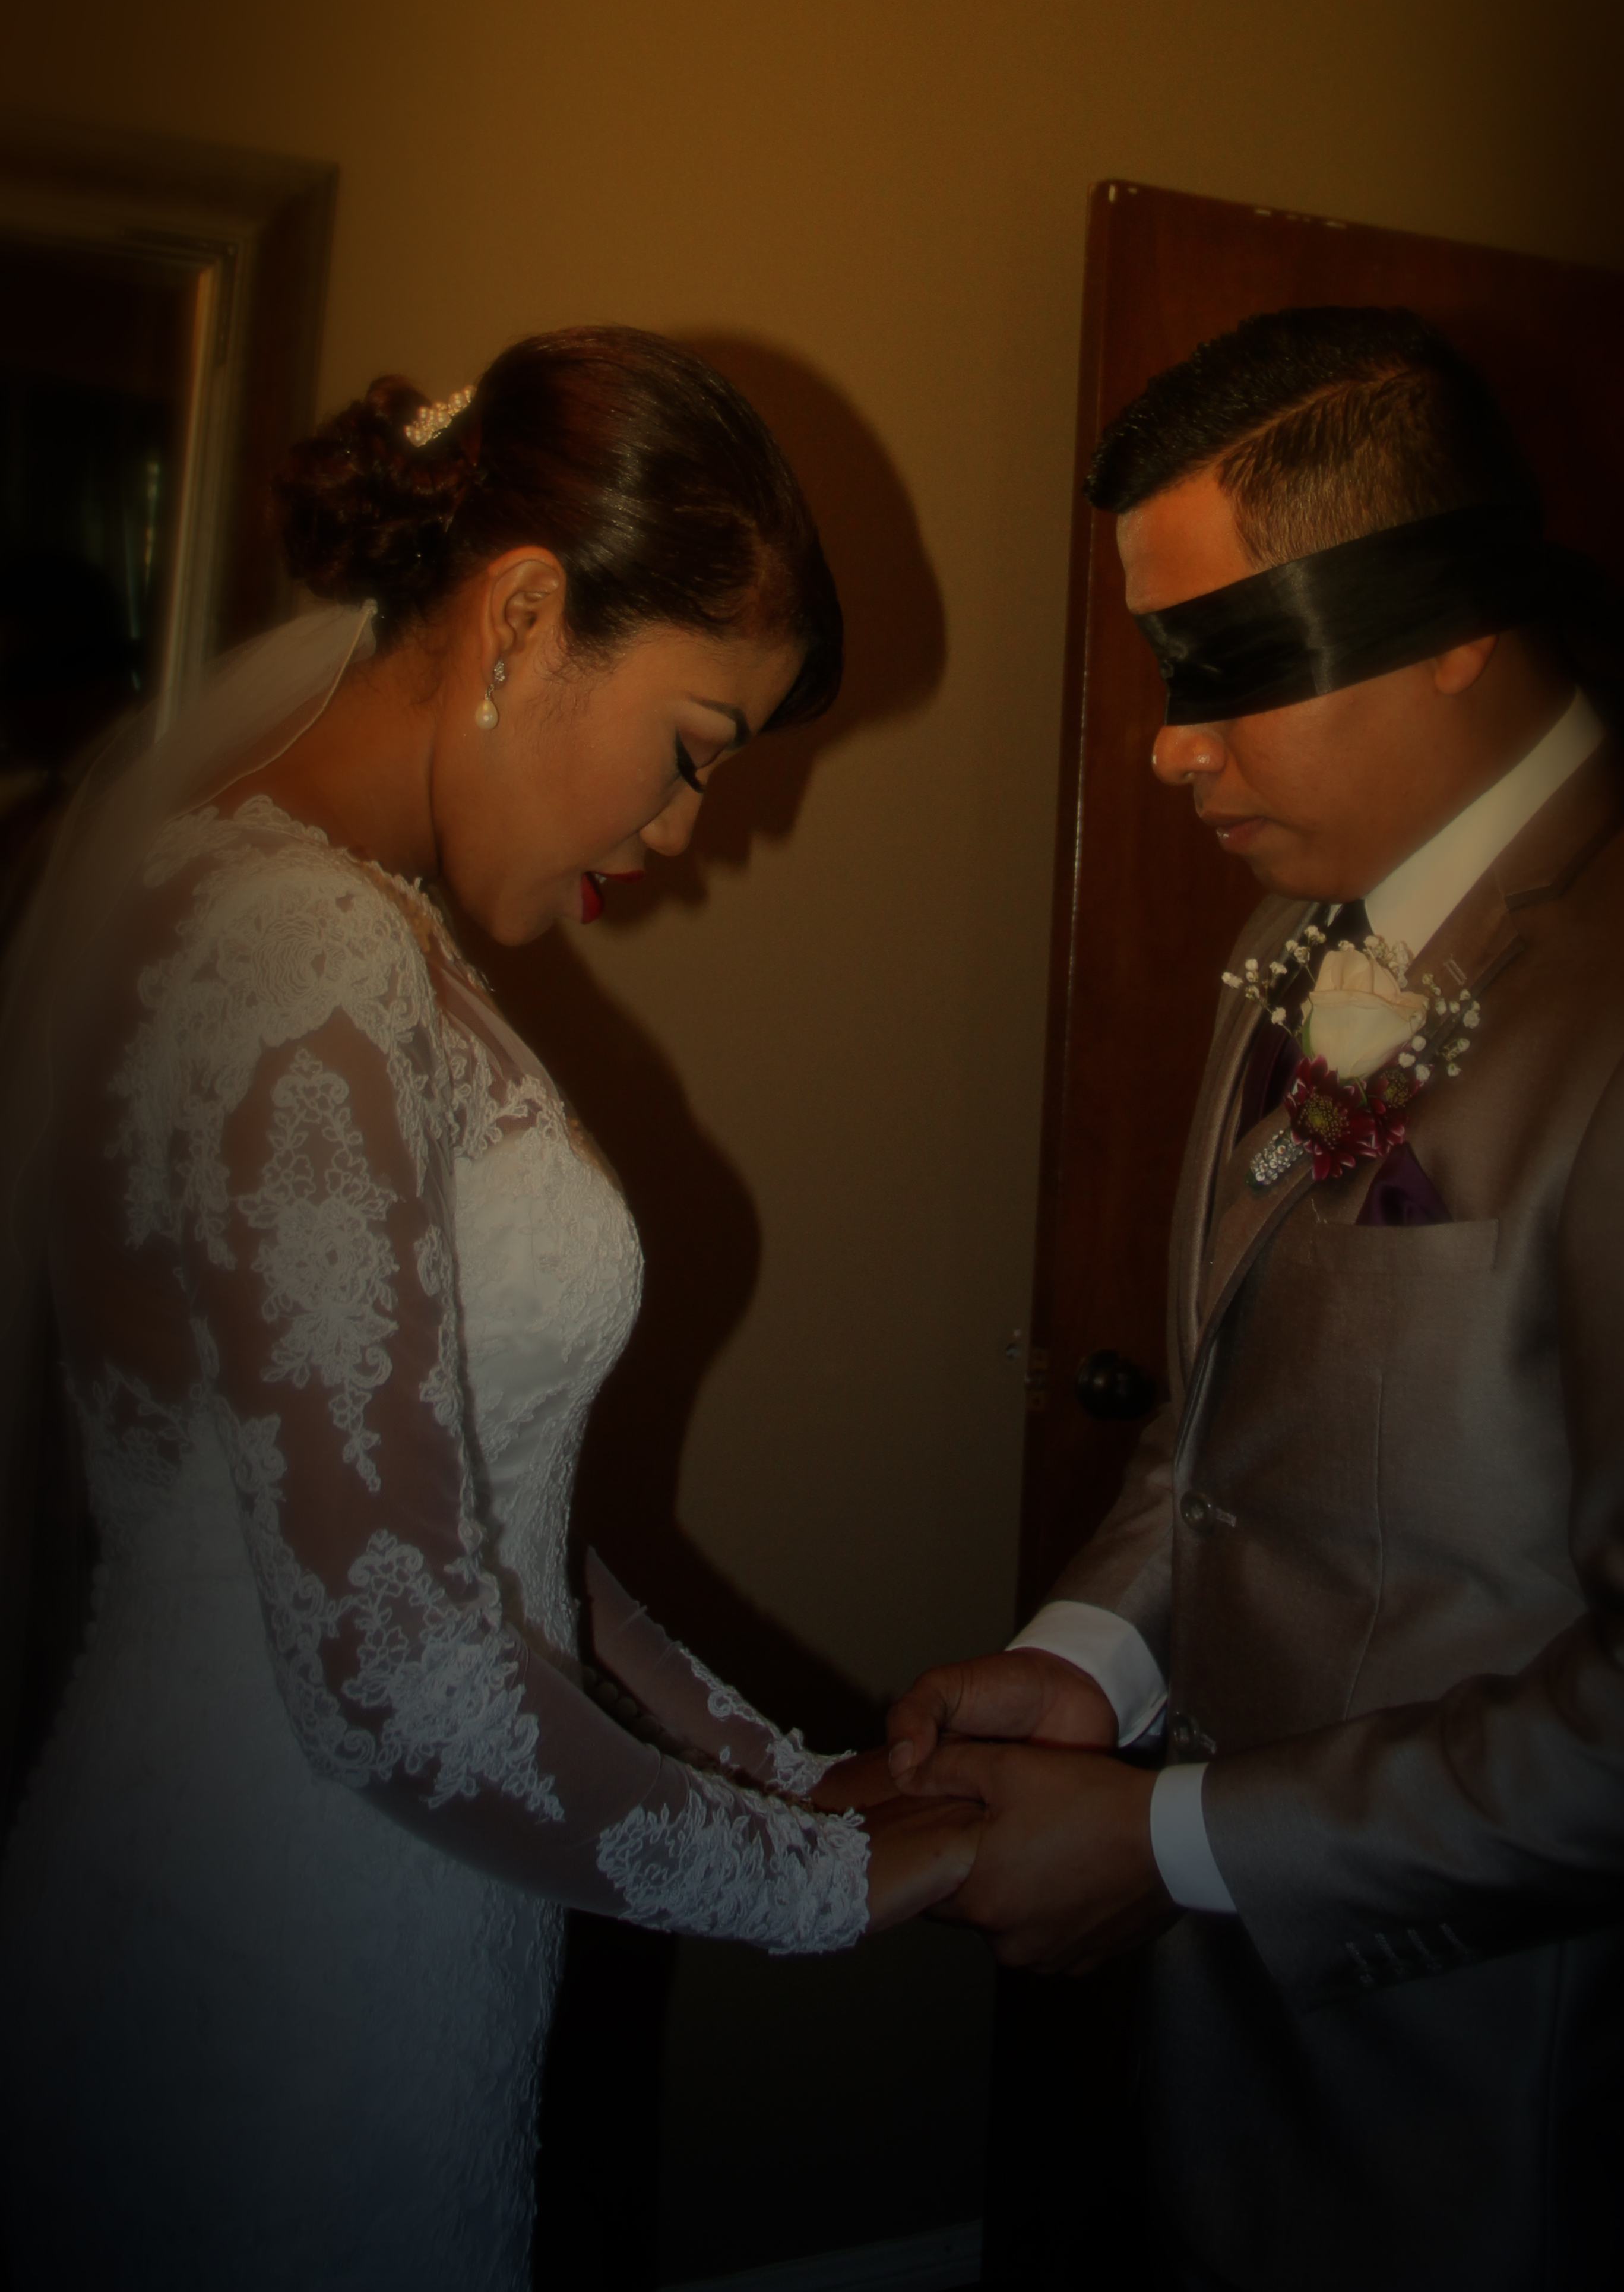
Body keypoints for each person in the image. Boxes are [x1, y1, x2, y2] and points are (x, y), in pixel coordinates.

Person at [0, 328, 977, 2290]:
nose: (686, 832)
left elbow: (463, 1502)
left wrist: (778, 1764)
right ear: (526, 614)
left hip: (331, 1897)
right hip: (283, 1966)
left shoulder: (308, 912)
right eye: (694, 746)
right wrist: (835, 1879)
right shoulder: (304, 950)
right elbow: (398, 1668)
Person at [889, 308, 1624, 2287]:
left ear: (1454, 618)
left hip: (1490, 2130)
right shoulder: (1299, 941)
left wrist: (1168, 1843)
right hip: (1228, 2082)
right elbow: (1228, 1423)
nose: (1169, 742)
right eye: (1162, 667)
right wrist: (1095, 1663)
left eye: (1228, 663)